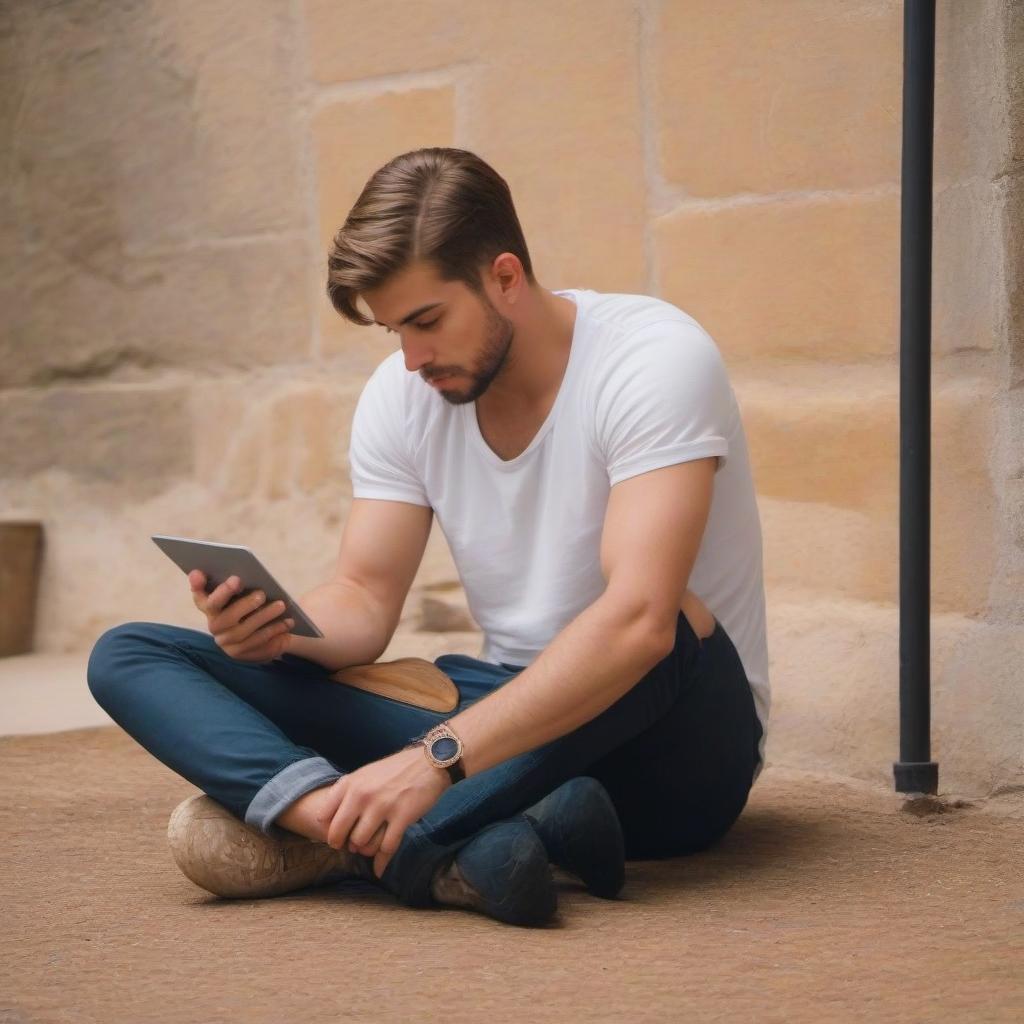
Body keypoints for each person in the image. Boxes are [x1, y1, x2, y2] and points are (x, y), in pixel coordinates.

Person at [87, 146, 768, 928]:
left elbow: (641, 624)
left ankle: (397, 835)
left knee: (669, 618)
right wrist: (277, 634)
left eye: (426, 321)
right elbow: (363, 600)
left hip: (669, 747)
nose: (410, 360)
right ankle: (378, 829)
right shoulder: (403, 395)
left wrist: (434, 761)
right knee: (133, 654)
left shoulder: (653, 359)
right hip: (502, 719)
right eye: (390, 332)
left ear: (505, 277)